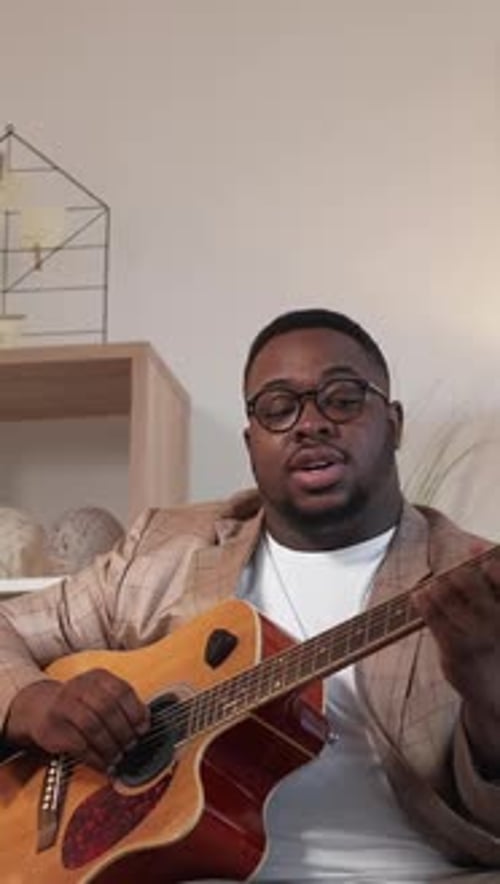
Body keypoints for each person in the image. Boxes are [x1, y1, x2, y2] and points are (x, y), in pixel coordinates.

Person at [0, 308, 499, 883]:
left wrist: (487, 685)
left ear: (393, 423)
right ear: (251, 440)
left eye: (341, 398)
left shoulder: (472, 579)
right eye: (278, 407)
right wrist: (36, 702)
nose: (309, 423)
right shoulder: (163, 550)